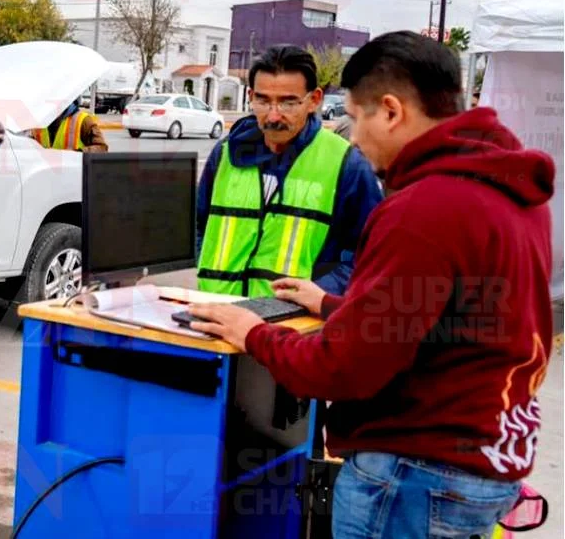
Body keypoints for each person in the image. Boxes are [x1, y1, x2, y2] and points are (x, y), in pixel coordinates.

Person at [188, 31, 556, 539]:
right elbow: (441, 314)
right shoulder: (512, 189)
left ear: (390, 111)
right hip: (484, 459)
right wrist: (332, 302)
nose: (354, 137)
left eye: (356, 119)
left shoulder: (422, 208)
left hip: (415, 473)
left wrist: (252, 332)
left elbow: (342, 369)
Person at [195, 45, 383, 297]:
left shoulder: (346, 163)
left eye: (288, 102)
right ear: (250, 96)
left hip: (294, 326)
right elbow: (199, 226)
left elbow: (370, 256)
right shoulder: (226, 152)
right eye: (262, 100)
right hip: (215, 317)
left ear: (314, 100)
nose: (273, 115)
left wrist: (317, 294)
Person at [30, 99, 108, 152]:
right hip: (44, 174)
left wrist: (78, 154)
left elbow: (102, 148)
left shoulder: (83, 121)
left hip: (73, 174)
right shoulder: (38, 121)